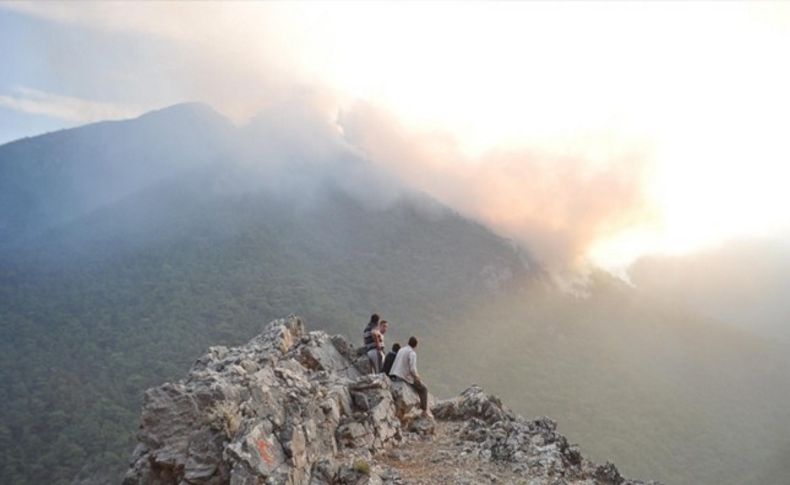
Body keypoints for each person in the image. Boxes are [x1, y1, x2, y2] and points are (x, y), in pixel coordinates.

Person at [389, 336, 432, 417]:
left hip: (394, 374)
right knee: (423, 389)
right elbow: (412, 369)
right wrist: (417, 377)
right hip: (403, 377)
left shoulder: (401, 349)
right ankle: (424, 411)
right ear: (416, 345)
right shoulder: (412, 353)